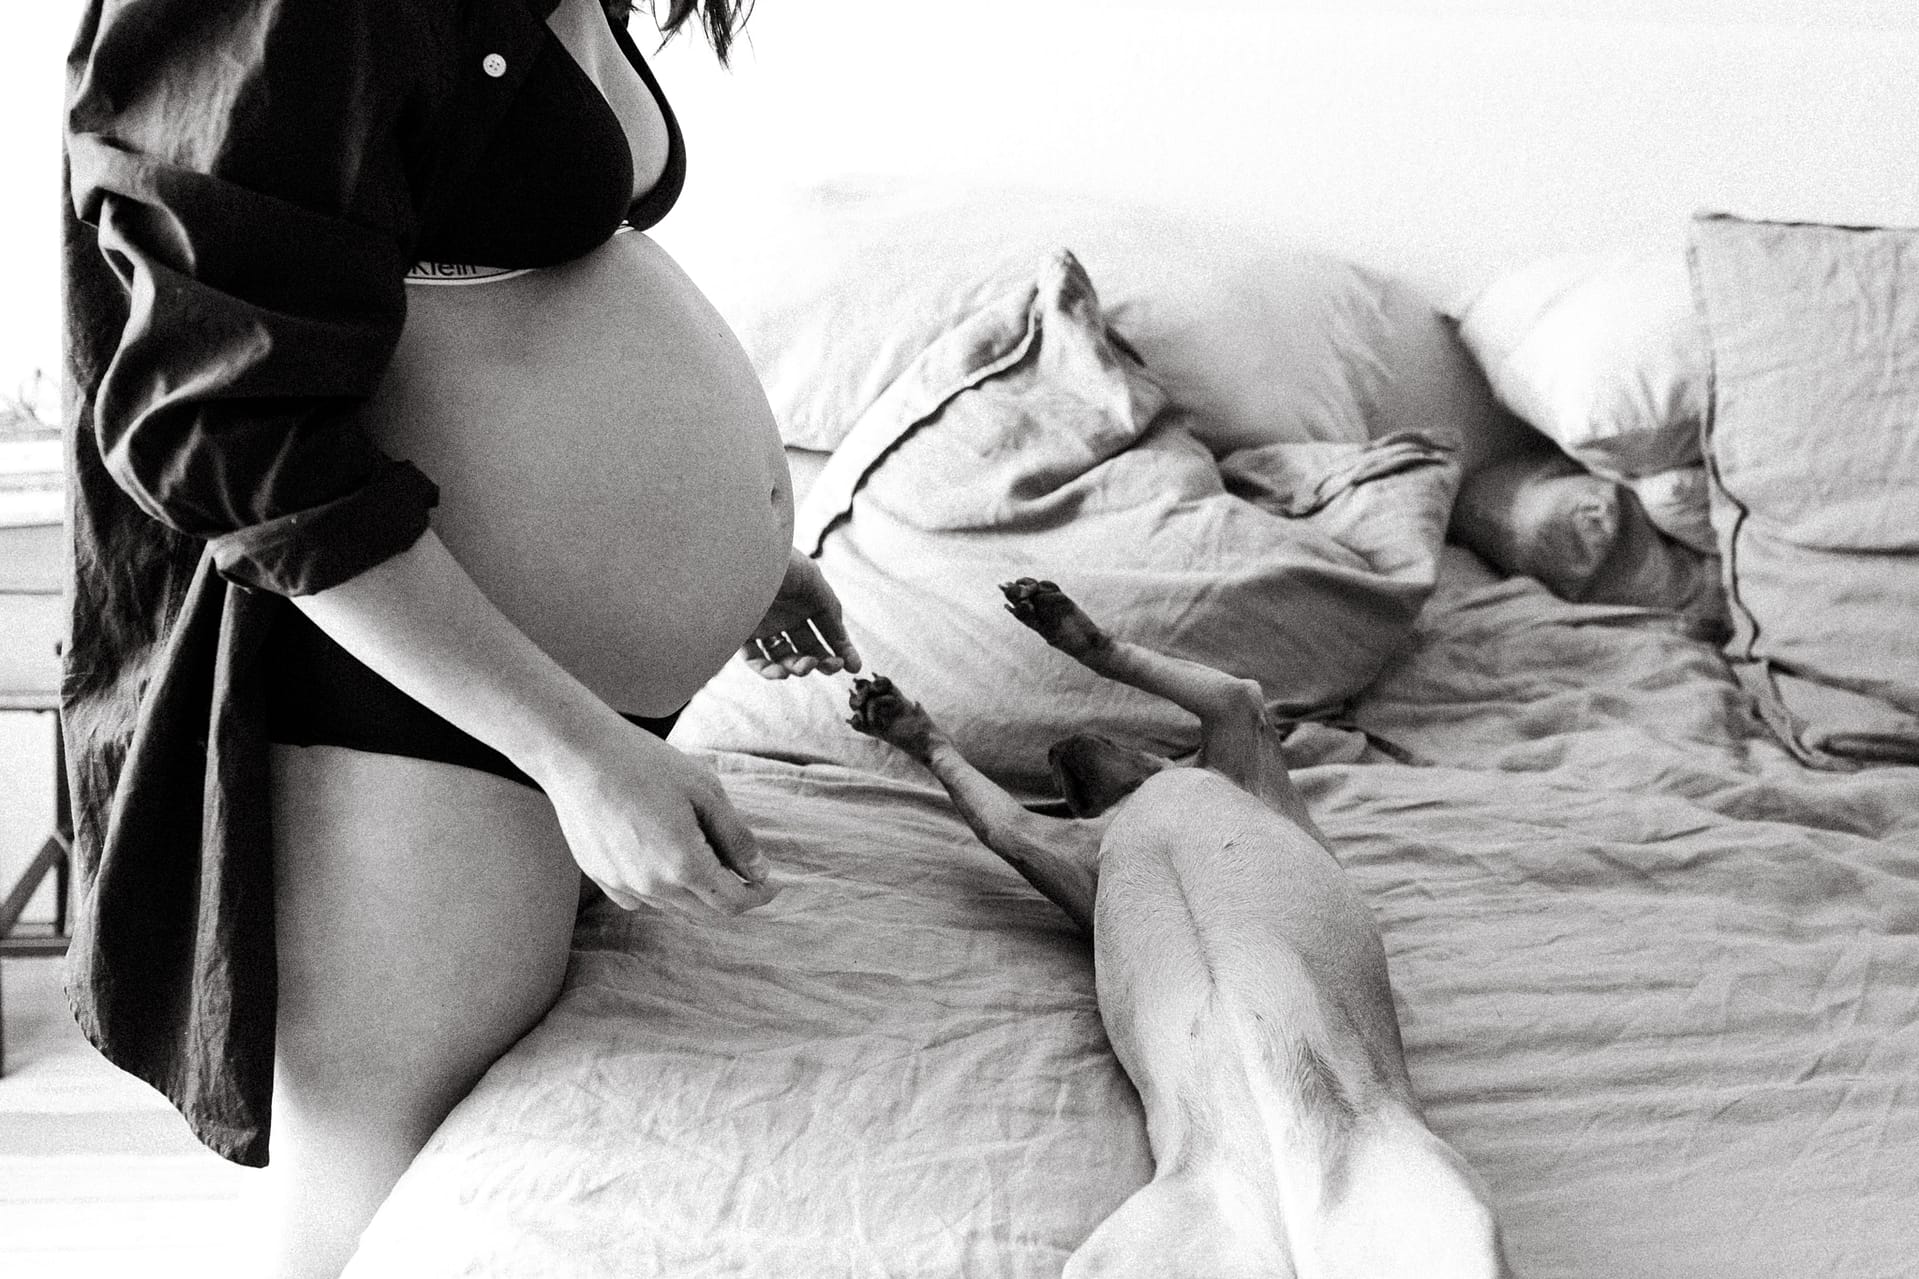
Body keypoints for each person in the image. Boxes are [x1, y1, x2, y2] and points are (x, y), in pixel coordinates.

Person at [59, 0, 849, 1272]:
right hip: (412, 695)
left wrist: (734, 549)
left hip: (526, 677)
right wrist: (576, 752)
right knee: (372, 1194)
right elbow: (224, 425)